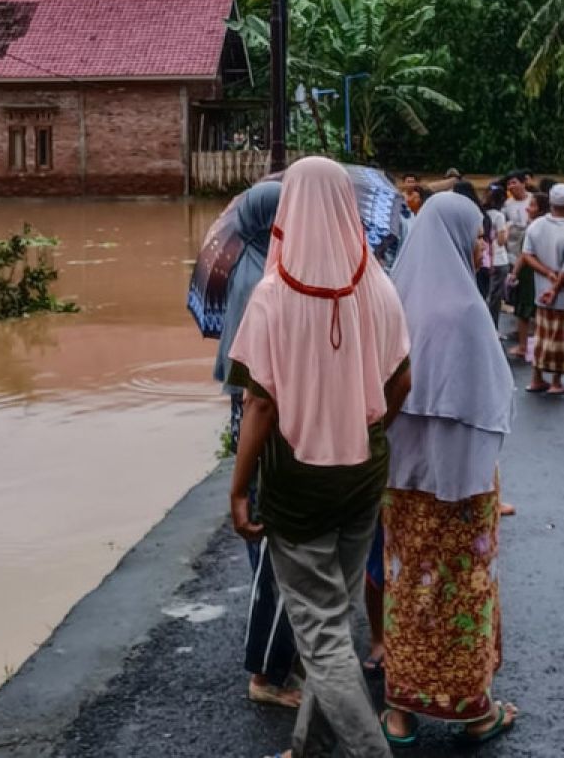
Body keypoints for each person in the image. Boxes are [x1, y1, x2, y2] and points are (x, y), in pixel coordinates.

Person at [227, 156, 411, 758]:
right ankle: (308, 748)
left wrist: (238, 488)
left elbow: (258, 404)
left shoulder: (273, 295)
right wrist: (366, 421)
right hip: (364, 472)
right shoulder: (379, 285)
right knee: (335, 613)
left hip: (298, 483)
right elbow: (401, 380)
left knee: (323, 633)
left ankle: (368, 751)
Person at [380, 192, 518, 747]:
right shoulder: (463, 311)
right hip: (460, 486)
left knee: (405, 587)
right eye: (478, 233)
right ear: (461, 234)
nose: (483, 244)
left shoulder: (393, 298)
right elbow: (489, 400)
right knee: (462, 591)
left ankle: (399, 714)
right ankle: (473, 712)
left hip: (400, 481)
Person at [212, 181, 301, 710]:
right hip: (259, 414)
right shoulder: (262, 279)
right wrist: (239, 486)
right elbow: (260, 393)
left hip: (252, 409)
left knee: (268, 543)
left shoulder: (251, 260)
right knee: (272, 540)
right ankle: (269, 673)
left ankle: (276, 647)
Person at [522, 183, 564, 396]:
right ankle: (556, 381)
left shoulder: (536, 226)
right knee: (561, 338)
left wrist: (547, 274)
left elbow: (527, 255)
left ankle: (536, 378)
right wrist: (556, 289)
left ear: (550, 203)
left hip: (541, 290)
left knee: (542, 335)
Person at [502, 173, 535, 356]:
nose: (511, 186)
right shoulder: (507, 205)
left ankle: (530, 325)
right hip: (513, 248)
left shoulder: (532, 200)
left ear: (524, 183)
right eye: (509, 184)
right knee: (516, 291)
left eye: (514, 182)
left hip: (529, 249)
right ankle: (521, 326)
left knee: (528, 290)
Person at [483, 183, 511, 328]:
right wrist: (507, 230)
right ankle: (493, 328)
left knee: (484, 294)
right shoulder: (499, 216)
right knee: (495, 299)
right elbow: (501, 241)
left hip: (484, 260)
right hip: (499, 260)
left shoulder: (482, 214)